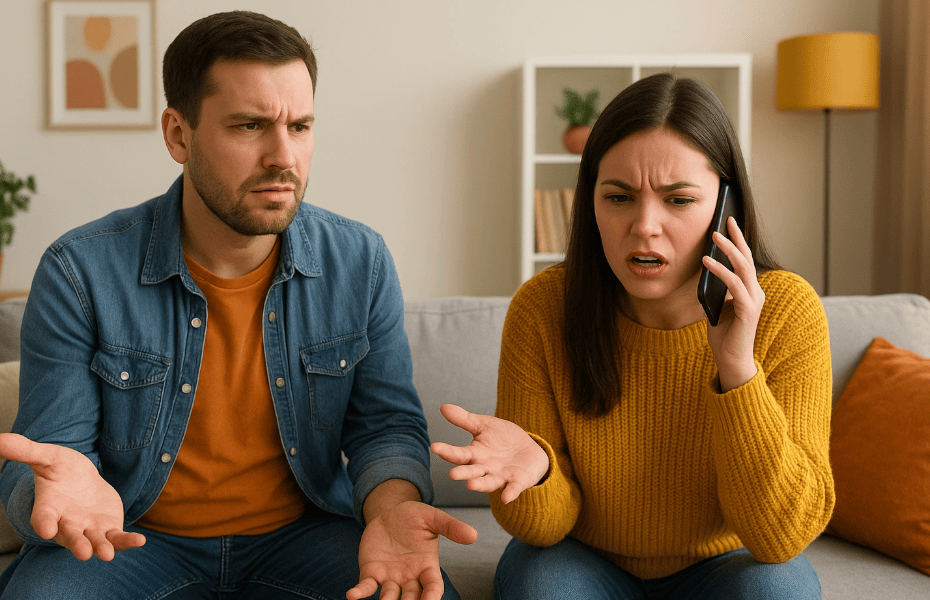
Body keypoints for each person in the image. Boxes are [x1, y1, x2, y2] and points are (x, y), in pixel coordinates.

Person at [0, 11, 476, 600]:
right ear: (178, 134)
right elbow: (49, 454)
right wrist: (52, 494)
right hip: (132, 539)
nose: (284, 157)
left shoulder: (361, 260)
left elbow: (385, 427)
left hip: (301, 536)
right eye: (250, 126)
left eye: (299, 126)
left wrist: (392, 509)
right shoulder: (81, 270)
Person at [432, 73, 834, 599]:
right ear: (590, 201)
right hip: (583, 555)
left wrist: (738, 372)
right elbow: (541, 527)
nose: (645, 225)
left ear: (726, 205)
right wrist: (537, 474)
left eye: (679, 200)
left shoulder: (787, 311)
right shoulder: (543, 308)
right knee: (543, 587)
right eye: (618, 198)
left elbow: (780, 537)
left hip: (727, 560)